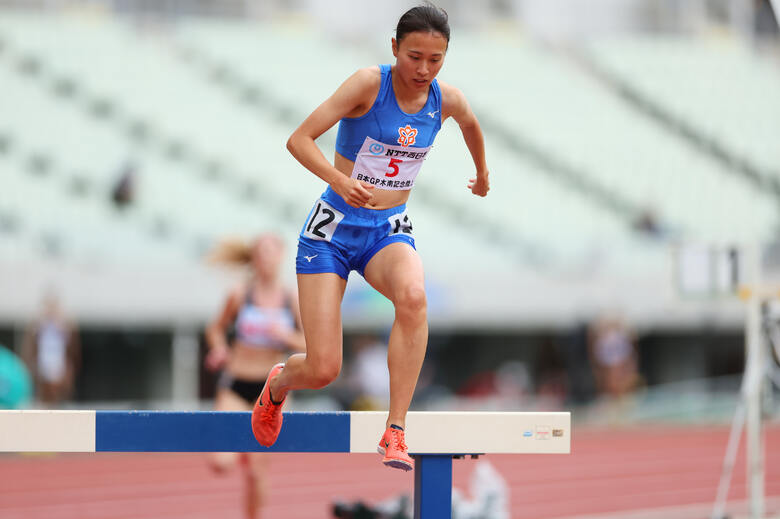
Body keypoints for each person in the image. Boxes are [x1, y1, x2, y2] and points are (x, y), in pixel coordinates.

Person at [251, 4, 490, 472]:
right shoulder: (368, 84)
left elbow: (472, 125)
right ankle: (279, 384)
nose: (423, 70)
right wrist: (338, 180)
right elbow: (298, 139)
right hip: (332, 231)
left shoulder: (447, 100)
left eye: (435, 60)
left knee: (415, 297)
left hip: (386, 228)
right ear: (395, 47)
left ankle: (395, 430)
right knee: (323, 369)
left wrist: (481, 174)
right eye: (415, 56)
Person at [204, 234, 305, 519]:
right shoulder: (239, 294)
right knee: (221, 462)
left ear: (281, 256)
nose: (266, 260)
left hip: (271, 391)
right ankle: (246, 449)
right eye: (261, 254)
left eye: (271, 253)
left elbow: (311, 344)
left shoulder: (291, 298)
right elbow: (215, 329)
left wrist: (284, 335)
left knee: (258, 473)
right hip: (236, 385)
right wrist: (220, 349)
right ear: (254, 259)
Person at [21, 291, 80, 406]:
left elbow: (73, 349)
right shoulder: (38, 326)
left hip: (58, 364)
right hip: (43, 362)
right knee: (45, 393)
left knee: (58, 392)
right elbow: (31, 347)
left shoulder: (65, 326)